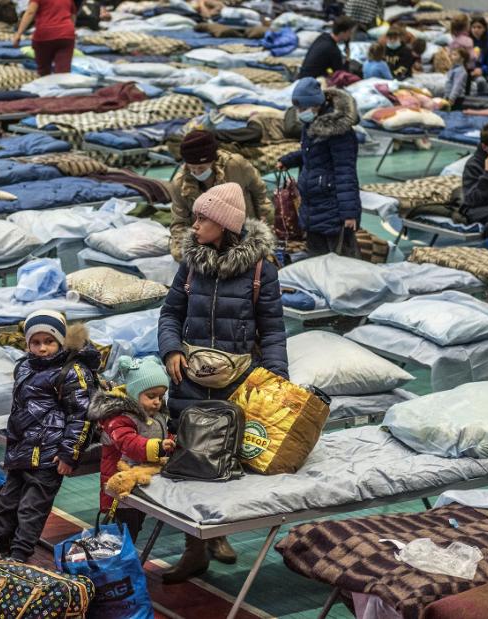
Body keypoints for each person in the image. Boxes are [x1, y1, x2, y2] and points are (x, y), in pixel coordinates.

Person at [157, 183, 287, 582]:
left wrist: (277, 384)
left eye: (202, 219)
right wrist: (171, 350)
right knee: (190, 462)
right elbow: (169, 315)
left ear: (225, 224)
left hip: (237, 384)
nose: (194, 226)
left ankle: (219, 533)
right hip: (191, 382)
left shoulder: (261, 270)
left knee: (231, 466)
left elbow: (273, 331)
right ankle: (193, 548)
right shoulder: (191, 265)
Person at [0, 310, 99, 586]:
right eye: (35, 342)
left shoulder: (72, 372)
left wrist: (68, 453)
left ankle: (17, 559)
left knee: (31, 509)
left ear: (60, 342)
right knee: (6, 504)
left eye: (48, 342)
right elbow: (20, 409)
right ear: (27, 344)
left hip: (50, 456)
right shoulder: (24, 366)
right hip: (20, 452)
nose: (41, 348)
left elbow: (81, 416)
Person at [88, 355, 173, 542]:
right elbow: (128, 442)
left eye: (160, 396)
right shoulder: (119, 418)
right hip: (119, 487)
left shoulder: (157, 415)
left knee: (135, 525)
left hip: (142, 482)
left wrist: (173, 442)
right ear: (135, 393)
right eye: (151, 396)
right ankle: (114, 564)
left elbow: (163, 436)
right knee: (121, 530)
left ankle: (124, 561)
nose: (157, 401)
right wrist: (157, 447)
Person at [277, 78, 362, 258]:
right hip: (313, 203)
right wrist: (289, 160)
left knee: (341, 262)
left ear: (316, 104)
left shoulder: (339, 132)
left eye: (302, 108)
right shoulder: (312, 123)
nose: (300, 113)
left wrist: (349, 214)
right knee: (316, 261)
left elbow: (345, 172)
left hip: (333, 207)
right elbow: (312, 154)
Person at [169, 130, 272, 261]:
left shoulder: (236, 166)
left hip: (242, 235)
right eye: (191, 168)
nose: (196, 172)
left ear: (212, 160)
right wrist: (182, 253)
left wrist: (267, 227)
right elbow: (179, 221)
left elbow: (260, 195)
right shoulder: (181, 184)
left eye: (201, 168)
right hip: (207, 242)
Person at [13, 0, 76, 76]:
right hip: (66, 35)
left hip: (44, 35)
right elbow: (72, 15)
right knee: (63, 71)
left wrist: (19, 33)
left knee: (44, 71)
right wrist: (70, 30)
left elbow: (30, 13)